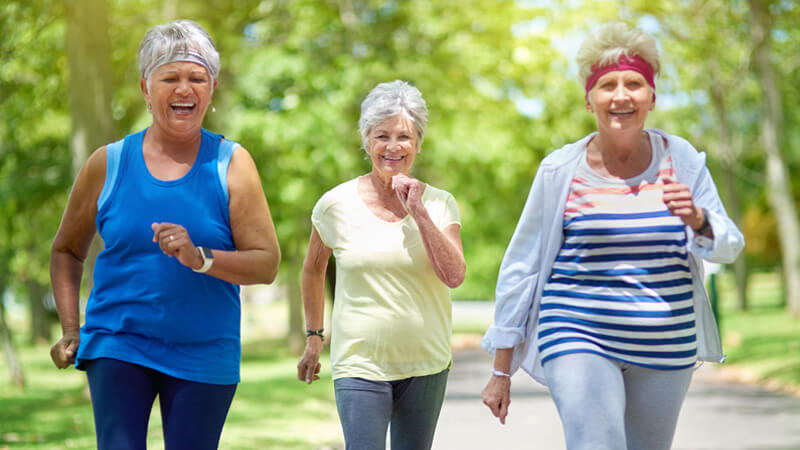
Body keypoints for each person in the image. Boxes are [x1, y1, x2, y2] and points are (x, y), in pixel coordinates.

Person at [481, 22, 744, 450]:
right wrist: (500, 369)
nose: (621, 95)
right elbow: (522, 267)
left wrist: (698, 218)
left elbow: (730, 245)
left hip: (666, 343)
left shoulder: (683, 161)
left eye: (635, 83)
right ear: (590, 100)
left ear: (652, 97)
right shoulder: (560, 170)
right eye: (607, 85)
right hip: (577, 331)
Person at [49, 19, 280, 450]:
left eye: (197, 78)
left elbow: (266, 263)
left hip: (204, 349)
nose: (184, 89)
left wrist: (201, 257)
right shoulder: (108, 163)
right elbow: (65, 249)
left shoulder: (232, 164)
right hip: (119, 342)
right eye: (169, 77)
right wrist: (69, 329)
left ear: (212, 89)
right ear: (145, 88)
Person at [296, 80, 466, 450]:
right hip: (359, 364)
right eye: (381, 135)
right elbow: (312, 269)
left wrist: (418, 212)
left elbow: (454, 275)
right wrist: (314, 337)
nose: (392, 147)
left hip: (426, 364)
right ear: (366, 140)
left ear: (418, 143)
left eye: (404, 136)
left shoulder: (439, 204)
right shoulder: (334, 205)